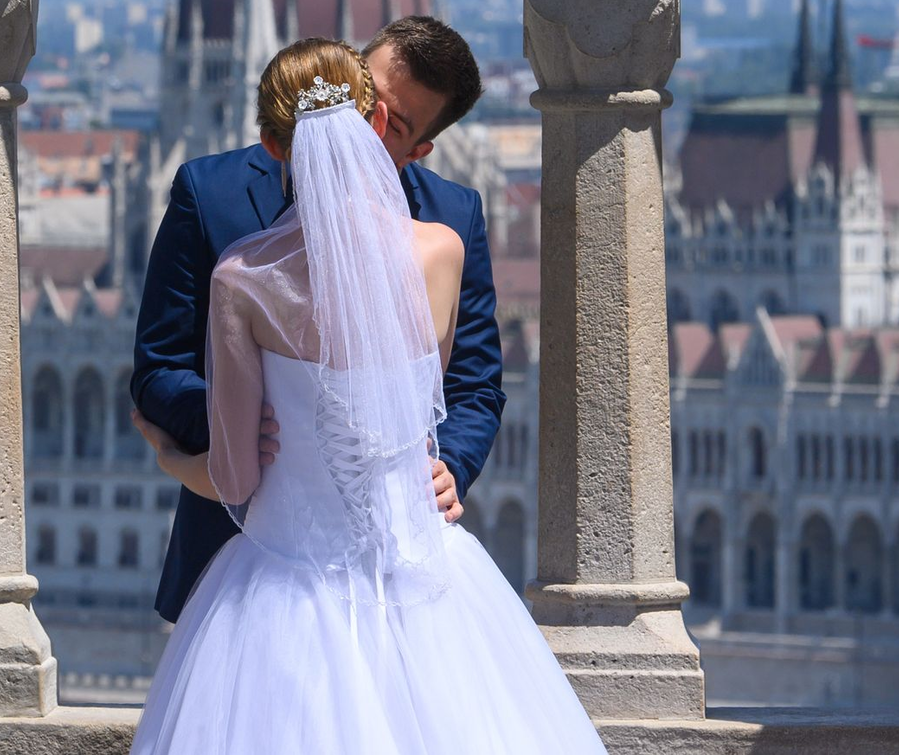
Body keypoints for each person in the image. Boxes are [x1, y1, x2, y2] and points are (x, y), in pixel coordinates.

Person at [129, 39, 606, 754]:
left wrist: (173, 452)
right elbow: (410, 400)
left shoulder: (246, 276)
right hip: (418, 576)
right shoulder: (436, 249)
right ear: (366, 108)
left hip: (279, 582)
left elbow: (470, 387)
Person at [132, 17, 506, 625]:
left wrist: (453, 466)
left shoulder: (451, 218)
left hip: (399, 562)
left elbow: (471, 384)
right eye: (364, 96)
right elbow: (159, 368)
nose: (361, 123)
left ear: (420, 150)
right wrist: (241, 423)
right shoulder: (209, 191)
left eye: (392, 123)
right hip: (243, 570)